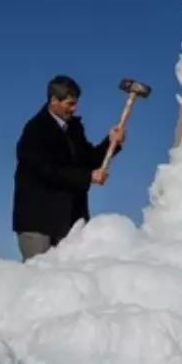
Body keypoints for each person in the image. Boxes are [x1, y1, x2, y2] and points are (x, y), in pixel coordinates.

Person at [11, 75, 125, 261]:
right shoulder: (35, 131)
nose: (75, 108)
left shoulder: (74, 129)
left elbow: (90, 159)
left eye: (76, 103)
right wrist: (87, 177)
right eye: (70, 103)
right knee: (39, 279)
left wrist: (111, 142)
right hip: (38, 221)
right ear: (54, 101)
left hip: (68, 220)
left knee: (67, 279)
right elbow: (46, 171)